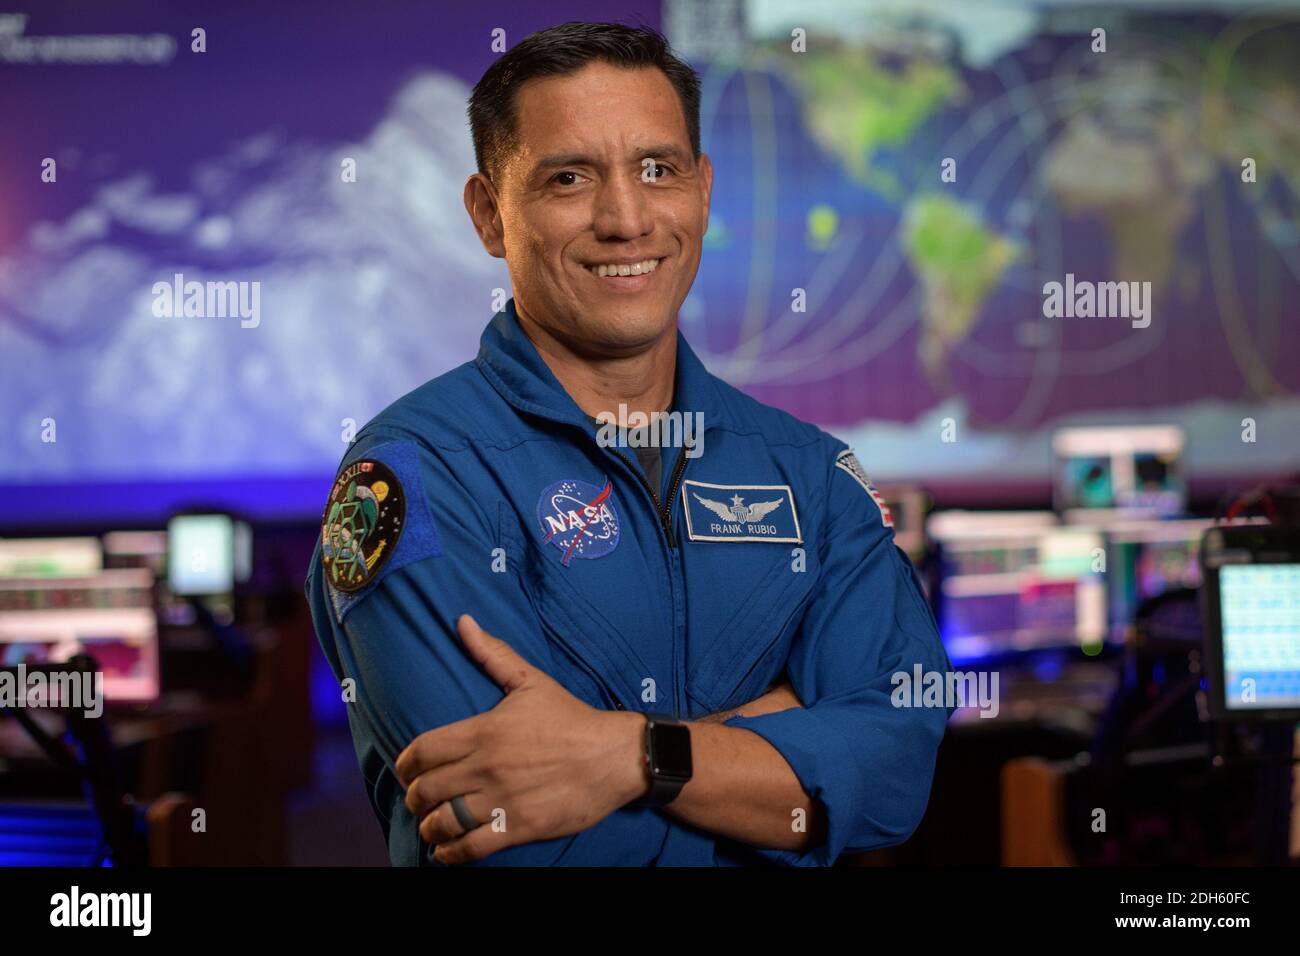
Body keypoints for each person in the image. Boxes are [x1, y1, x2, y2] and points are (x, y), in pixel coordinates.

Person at [305, 21, 953, 866]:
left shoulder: (810, 473)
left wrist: (628, 757)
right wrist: (780, 744)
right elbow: (510, 836)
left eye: (657, 170)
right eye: (569, 178)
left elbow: (894, 775)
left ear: (703, 189)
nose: (626, 219)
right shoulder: (412, 479)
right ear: (488, 215)